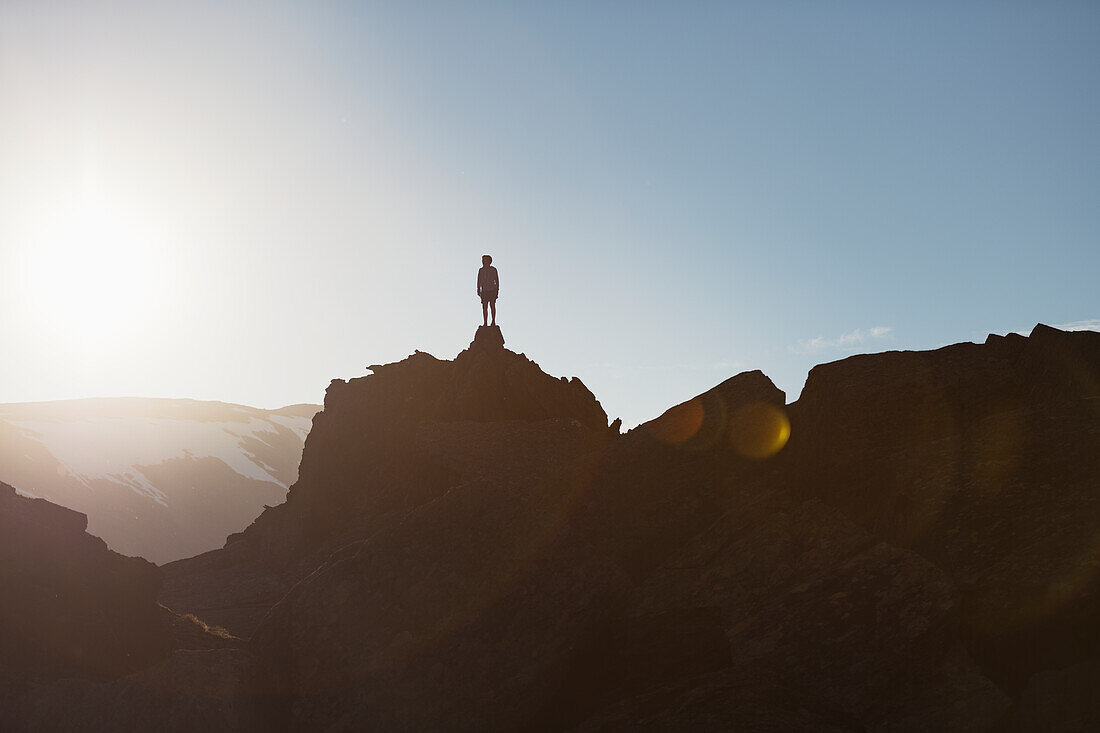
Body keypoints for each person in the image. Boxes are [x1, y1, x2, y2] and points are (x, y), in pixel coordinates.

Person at [477, 254, 499, 326]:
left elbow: (496, 280)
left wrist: (497, 290)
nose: (483, 262)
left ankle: (493, 321)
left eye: (484, 260)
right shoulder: (481, 270)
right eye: (482, 260)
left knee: (492, 305)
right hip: (484, 290)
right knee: (484, 307)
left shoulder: (493, 270)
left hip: (492, 290)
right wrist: (478, 289)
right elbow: (479, 280)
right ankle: (485, 322)